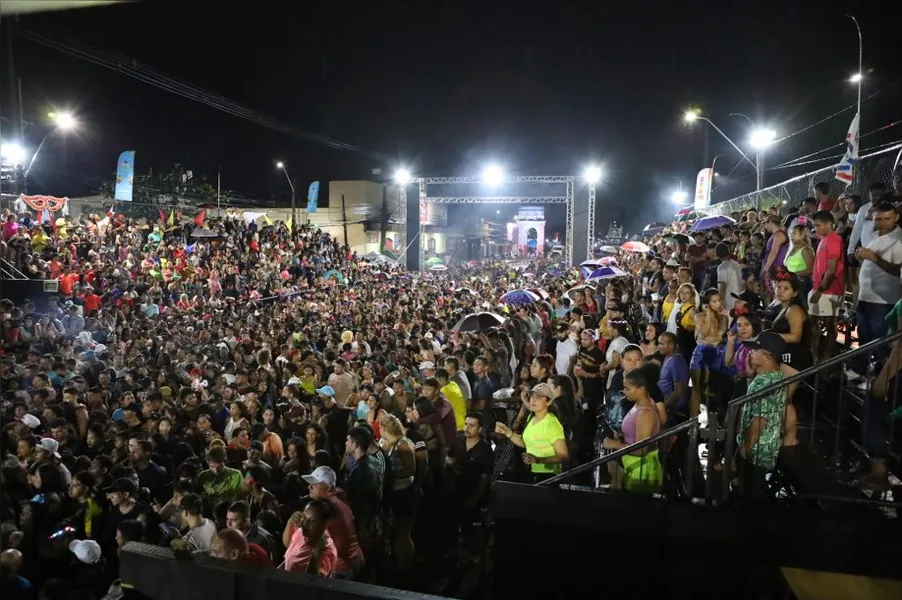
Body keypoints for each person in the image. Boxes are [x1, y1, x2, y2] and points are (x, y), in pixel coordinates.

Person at [848, 202, 902, 381]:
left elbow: (898, 270)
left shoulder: (899, 239)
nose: (882, 222)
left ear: (896, 218)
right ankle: (860, 372)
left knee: (882, 341)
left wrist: (874, 257)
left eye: (887, 218)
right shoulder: (873, 234)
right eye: (878, 218)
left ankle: (883, 378)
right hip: (866, 296)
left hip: (884, 300)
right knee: (864, 336)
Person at [735, 332, 787, 502]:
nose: (750, 352)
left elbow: (759, 421)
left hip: (757, 452)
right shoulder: (773, 376)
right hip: (761, 448)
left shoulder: (766, 384)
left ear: (767, 357)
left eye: (755, 350)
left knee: (751, 496)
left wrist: (745, 448)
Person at [602, 368, 663, 492]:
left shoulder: (646, 413)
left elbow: (641, 450)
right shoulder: (639, 404)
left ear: (640, 390)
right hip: (633, 468)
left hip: (642, 472)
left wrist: (615, 444)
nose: (624, 392)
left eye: (628, 389)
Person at [495, 383, 568, 483]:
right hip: (531, 473)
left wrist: (538, 460)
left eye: (539, 396)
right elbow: (525, 442)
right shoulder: (531, 417)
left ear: (549, 401)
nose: (533, 399)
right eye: (532, 395)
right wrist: (508, 432)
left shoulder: (551, 424)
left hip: (549, 476)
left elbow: (563, 455)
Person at [303, 466, 365, 578]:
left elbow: (310, 540)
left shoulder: (325, 507)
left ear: (328, 487)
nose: (309, 486)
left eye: (315, 483)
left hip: (343, 567)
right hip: (356, 559)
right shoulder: (340, 498)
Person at [809, 210, 844, 361]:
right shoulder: (824, 239)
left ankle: (828, 356)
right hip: (820, 288)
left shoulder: (833, 239)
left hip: (830, 290)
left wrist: (821, 290)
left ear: (828, 223)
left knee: (830, 324)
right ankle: (816, 355)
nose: (815, 229)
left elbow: (831, 269)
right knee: (813, 322)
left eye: (818, 225)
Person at [283, 500, 338, 577]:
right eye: (304, 517)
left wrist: (317, 553)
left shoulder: (327, 551)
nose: (305, 523)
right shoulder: (301, 532)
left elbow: (314, 582)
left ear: (326, 524)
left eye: (313, 521)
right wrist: (289, 523)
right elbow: (287, 544)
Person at [782, 224, 815, 305]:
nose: (792, 236)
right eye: (791, 234)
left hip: (802, 283)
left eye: (794, 233)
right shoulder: (792, 249)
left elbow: (811, 269)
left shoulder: (805, 250)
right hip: (791, 283)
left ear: (802, 235)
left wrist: (795, 274)